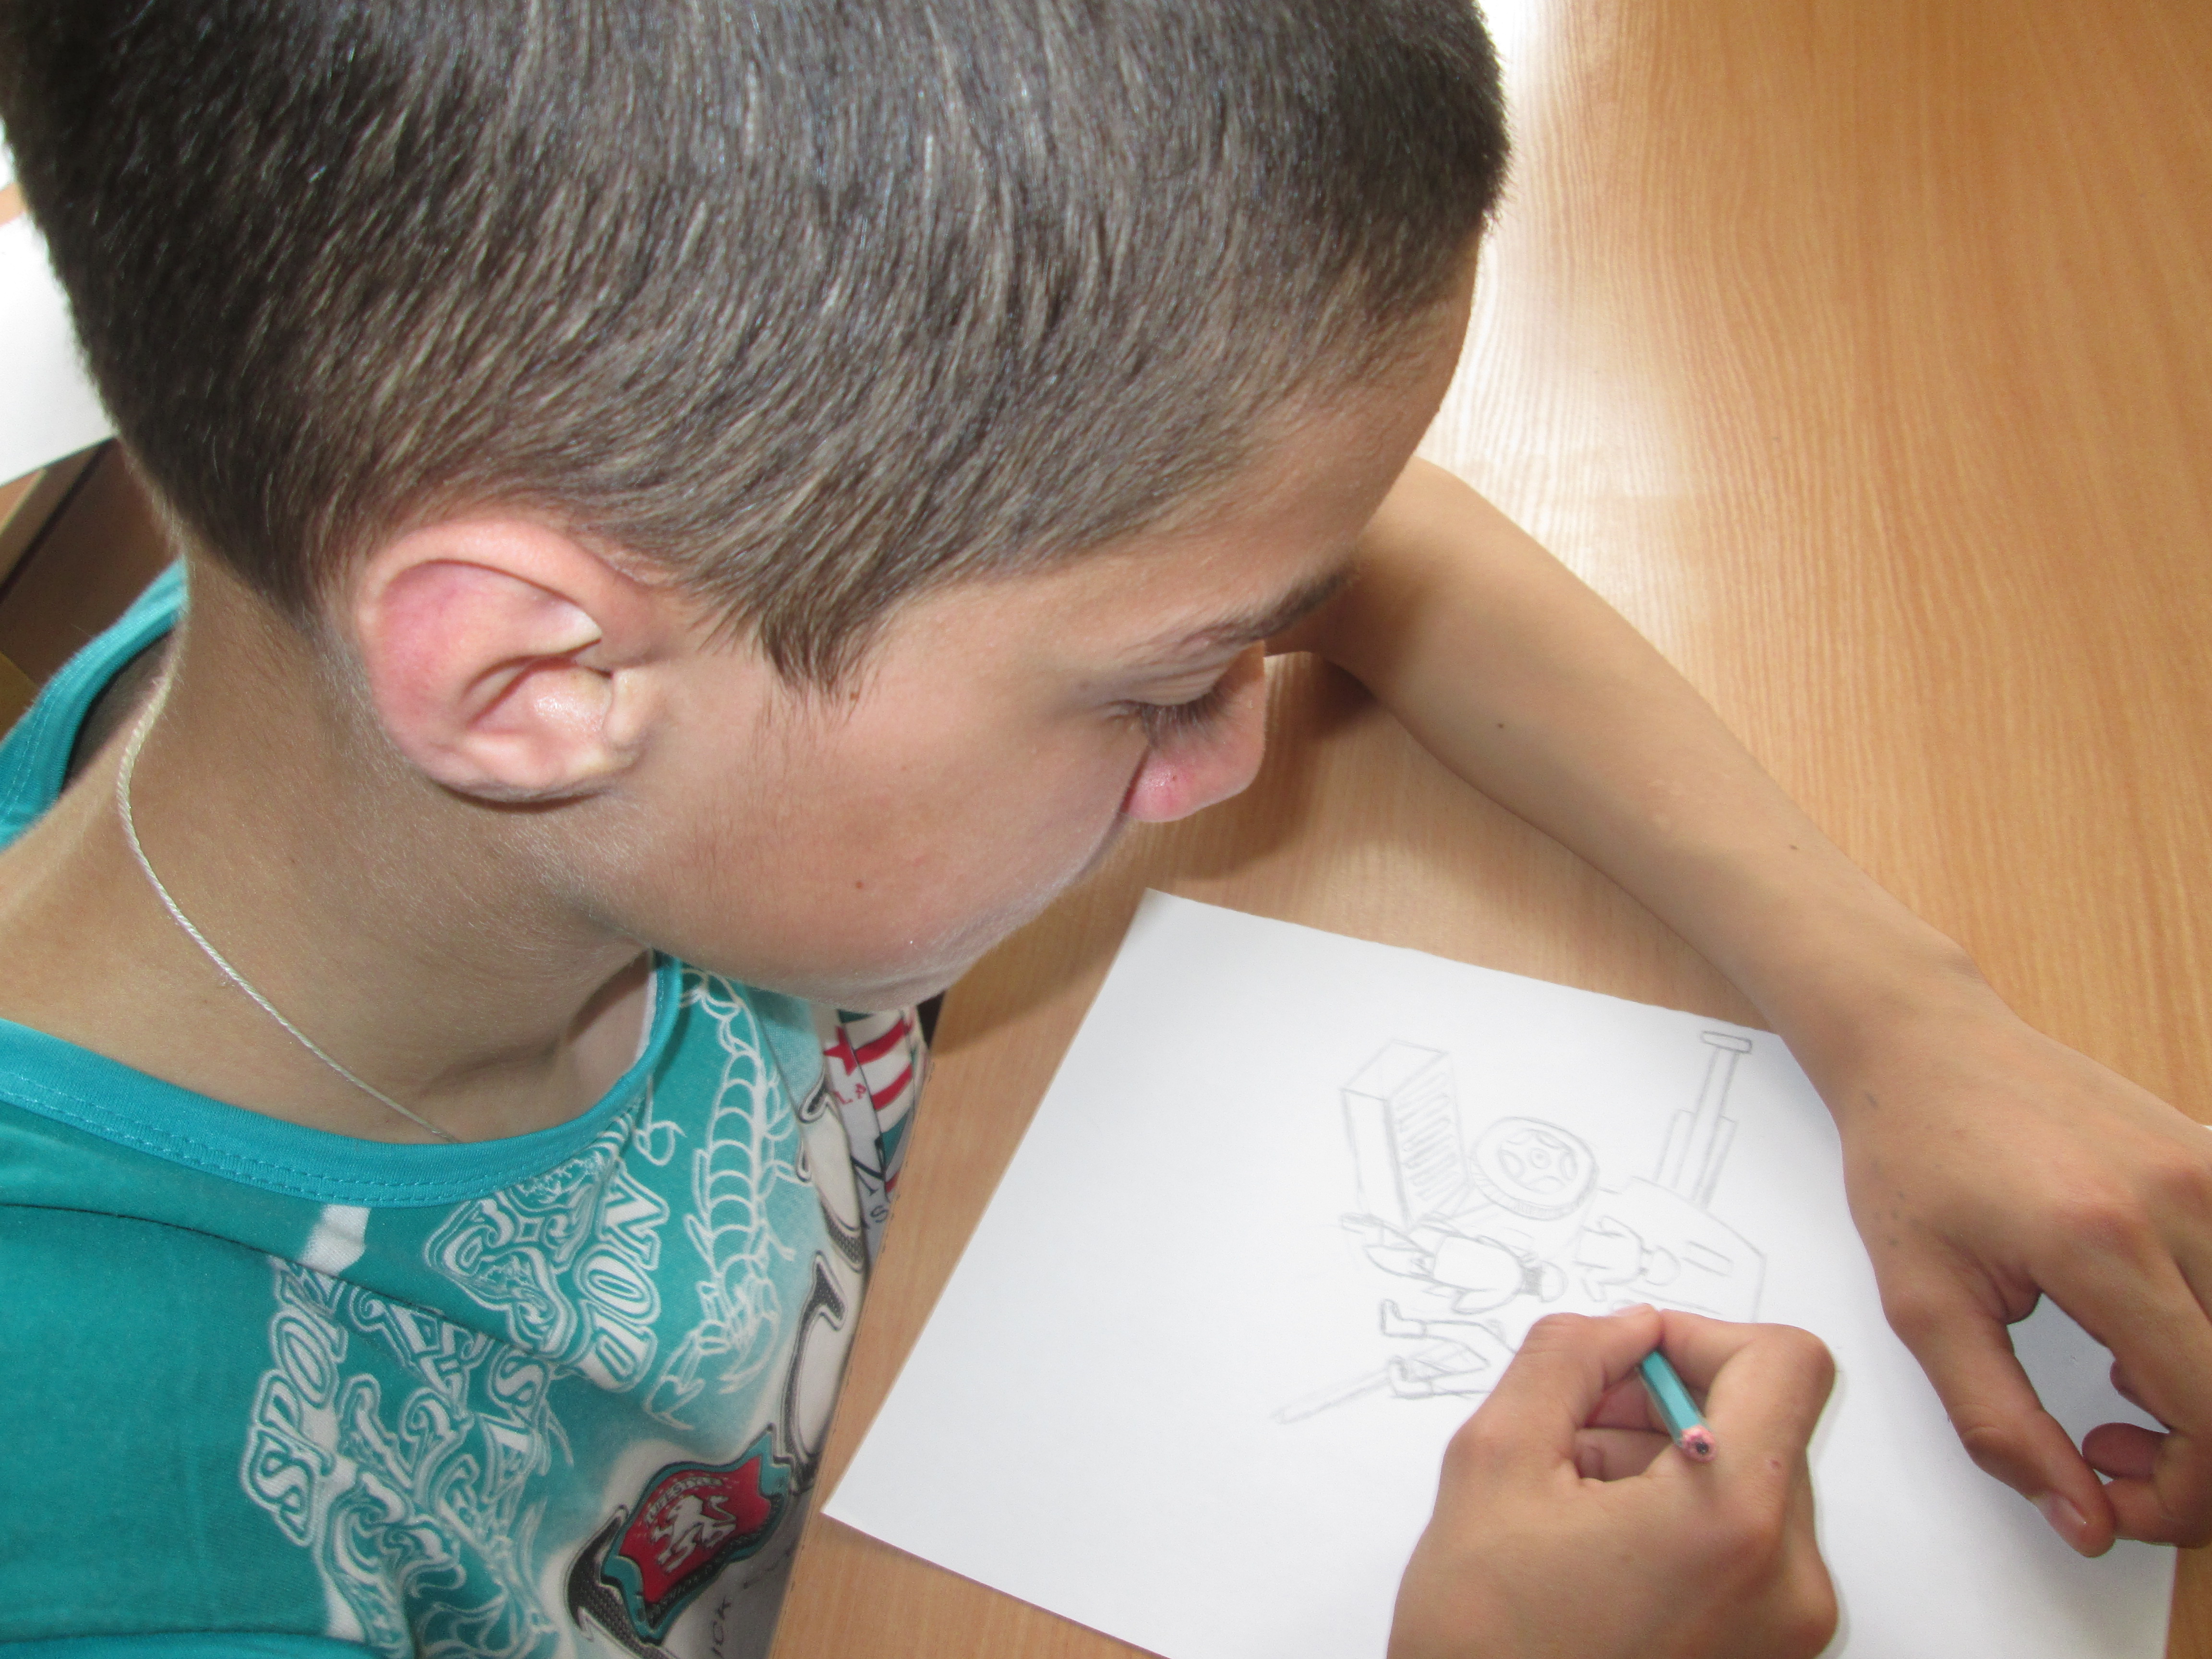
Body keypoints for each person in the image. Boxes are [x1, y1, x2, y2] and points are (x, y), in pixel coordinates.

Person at [0, 1, 2196, 1655]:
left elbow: (1370, 540)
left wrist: (1900, 1014)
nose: (1235, 750)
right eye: (1162, 689)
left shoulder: (460, 674)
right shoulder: (120, 1535)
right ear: (536, 686)